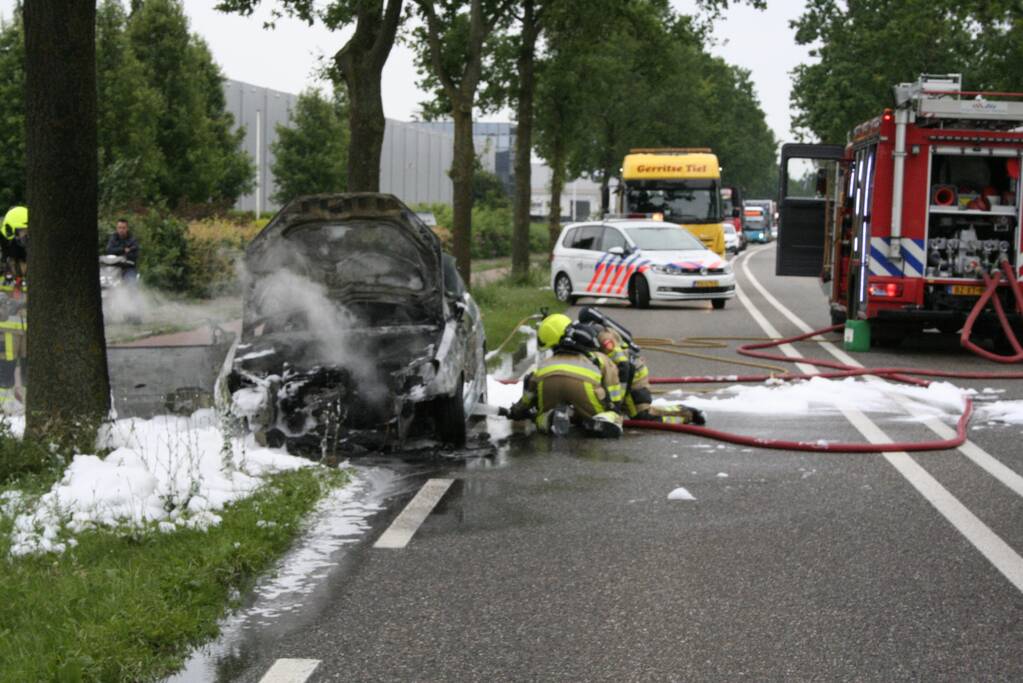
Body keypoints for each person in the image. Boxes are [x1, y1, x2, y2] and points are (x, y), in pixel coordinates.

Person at [503, 313, 626, 438]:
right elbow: (612, 379)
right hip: (583, 387)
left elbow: (530, 391)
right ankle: (601, 421)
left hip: (548, 385)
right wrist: (615, 407)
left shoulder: (546, 363)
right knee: (612, 415)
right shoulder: (596, 357)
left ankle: (548, 420)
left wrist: (518, 410)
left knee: (540, 416)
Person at [105, 218, 140, 284]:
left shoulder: (133, 240)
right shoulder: (113, 238)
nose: (121, 230)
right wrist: (123, 250)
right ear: (117, 228)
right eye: (119, 228)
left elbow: (135, 255)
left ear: (127, 228)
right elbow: (109, 250)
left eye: (123, 228)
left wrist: (122, 255)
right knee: (104, 282)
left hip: (128, 267)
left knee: (131, 284)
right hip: (113, 267)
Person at [1, 205, 28, 281]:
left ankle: (19, 279)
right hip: (17, 247)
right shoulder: (20, 222)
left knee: (16, 261)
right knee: (20, 261)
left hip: (15, 247)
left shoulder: (13, 223)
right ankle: (21, 278)